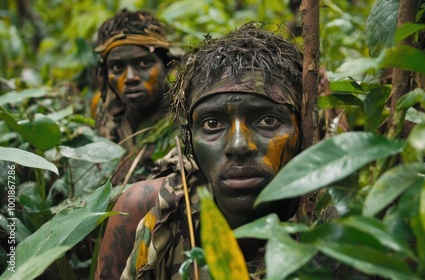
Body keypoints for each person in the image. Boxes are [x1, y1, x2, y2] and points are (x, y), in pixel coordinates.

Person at [95, 23, 304, 279]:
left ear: (302, 130)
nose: (238, 145)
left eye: (267, 120)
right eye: (212, 123)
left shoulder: (333, 223)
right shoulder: (145, 211)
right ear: (190, 139)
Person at [93, 9, 179, 185]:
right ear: (106, 75)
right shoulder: (105, 118)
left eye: (144, 63)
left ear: (167, 65)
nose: (130, 77)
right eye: (117, 68)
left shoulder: (186, 123)